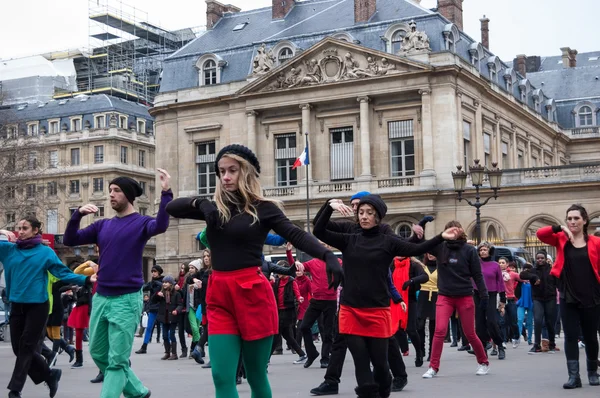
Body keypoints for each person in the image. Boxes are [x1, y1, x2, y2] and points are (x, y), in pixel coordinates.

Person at [166, 144, 342, 398]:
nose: (225, 177)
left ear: (246, 172)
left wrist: (327, 255)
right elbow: (172, 208)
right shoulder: (216, 207)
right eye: (221, 171)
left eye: (232, 170)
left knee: (256, 375)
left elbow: (295, 233)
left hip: (252, 293)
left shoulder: (263, 207)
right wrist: (201, 202)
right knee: (221, 376)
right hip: (219, 294)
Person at [313, 195, 460, 398]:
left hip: (377, 311)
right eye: (361, 212)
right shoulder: (349, 238)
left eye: (369, 213)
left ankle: (385, 386)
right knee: (361, 360)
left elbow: (417, 248)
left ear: (378, 217)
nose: (364, 217)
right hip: (350, 310)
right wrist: (329, 206)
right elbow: (318, 230)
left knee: (380, 363)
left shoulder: (388, 241)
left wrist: (441, 237)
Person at [63, 170, 173, 398]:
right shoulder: (102, 226)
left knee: (117, 360)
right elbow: (69, 240)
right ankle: (138, 391)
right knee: (98, 353)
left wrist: (165, 193)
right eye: (110, 191)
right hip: (101, 297)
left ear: (129, 195)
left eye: (116, 191)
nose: (111, 195)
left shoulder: (142, 223)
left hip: (126, 299)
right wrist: (77, 215)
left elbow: (161, 225)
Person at [1, 218, 96, 398]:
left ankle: (15, 391)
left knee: (27, 347)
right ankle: (49, 375)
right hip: (17, 305)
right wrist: (2, 233)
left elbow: (62, 272)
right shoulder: (8, 250)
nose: (20, 231)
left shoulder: (45, 252)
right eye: (18, 228)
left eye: (25, 228)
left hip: (38, 306)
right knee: (17, 348)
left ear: (36, 230)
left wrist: (85, 279)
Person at [537, 204, 600, 389]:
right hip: (568, 295)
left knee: (590, 336)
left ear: (585, 220)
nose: (572, 222)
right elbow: (541, 234)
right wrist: (560, 228)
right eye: (569, 219)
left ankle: (592, 373)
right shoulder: (561, 238)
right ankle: (574, 377)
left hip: (592, 295)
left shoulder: (595, 242)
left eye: (576, 218)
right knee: (571, 336)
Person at [422, 220, 490, 379]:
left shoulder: (469, 250)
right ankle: (433, 367)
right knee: (439, 331)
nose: (452, 233)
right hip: (445, 296)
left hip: (464, 295)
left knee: (470, 333)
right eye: (449, 230)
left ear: (461, 231)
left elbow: (477, 275)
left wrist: (484, 294)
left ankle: (483, 362)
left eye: (455, 230)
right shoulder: (440, 247)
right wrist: (429, 229)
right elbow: (423, 245)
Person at [391, 256, 429, 367]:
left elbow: (424, 277)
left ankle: (419, 352)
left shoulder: (413, 265)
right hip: (395, 300)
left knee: (411, 330)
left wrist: (411, 281)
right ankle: (398, 354)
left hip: (410, 300)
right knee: (396, 329)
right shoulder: (391, 264)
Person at [520, 250, 558, 355]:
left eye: (542, 258)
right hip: (538, 299)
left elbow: (559, 282)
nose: (540, 260)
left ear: (546, 259)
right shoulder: (533, 270)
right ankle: (536, 345)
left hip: (550, 298)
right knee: (537, 320)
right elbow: (522, 275)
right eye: (538, 258)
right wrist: (534, 277)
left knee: (550, 322)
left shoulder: (552, 270)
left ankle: (552, 344)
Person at [473, 242, 507, 360]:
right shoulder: (475, 263)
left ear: (489, 251)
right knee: (479, 323)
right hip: (477, 294)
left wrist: (503, 298)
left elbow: (501, 283)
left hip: (491, 294)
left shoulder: (495, 265)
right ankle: (483, 347)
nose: (482, 251)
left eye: (485, 249)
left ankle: (500, 345)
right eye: (481, 249)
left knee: (492, 322)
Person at [270, 260, 307, 363]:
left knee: (277, 335)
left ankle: (266, 360)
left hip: (288, 311)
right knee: (287, 336)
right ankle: (302, 355)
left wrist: (299, 298)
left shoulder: (291, 281)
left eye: (280, 271)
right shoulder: (276, 281)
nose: (278, 273)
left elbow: (296, 292)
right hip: (279, 311)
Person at [153, 275, 183, 360]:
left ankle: (174, 353)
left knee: (171, 334)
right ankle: (167, 352)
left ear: (171, 284)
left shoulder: (176, 294)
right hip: (164, 317)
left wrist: (176, 310)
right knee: (165, 336)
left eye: (166, 282)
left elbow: (180, 305)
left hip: (172, 317)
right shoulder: (161, 293)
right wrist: (157, 295)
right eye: (163, 282)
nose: (164, 284)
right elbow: (153, 301)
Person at [136, 265, 165, 354]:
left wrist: (158, 284)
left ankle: (169, 348)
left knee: (164, 328)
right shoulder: (152, 282)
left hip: (161, 307)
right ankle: (144, 347)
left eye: (155, 271)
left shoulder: (163, 281)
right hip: (153, 307)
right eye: (152, 271)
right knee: (149, 327)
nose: (153, 273)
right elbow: (144, 287)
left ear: (159, 272)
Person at [417, 253, 439, 361]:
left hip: (436, 296)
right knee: (420, 325)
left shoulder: (442, 267)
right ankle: (421, 350)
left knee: (433, 327)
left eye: (433, 252)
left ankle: (432, 352)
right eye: (428, 252)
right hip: (423, 296)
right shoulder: (422, 266)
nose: (430, 254)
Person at [499, 257, 521, 348]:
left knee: (513, 321)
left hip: (511, 300)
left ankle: (516, 337)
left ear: (507, 264)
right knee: (502, 322)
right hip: (501, 301)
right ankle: (503, 340)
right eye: (499, 262)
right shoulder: (497, 274)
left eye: (503, 262)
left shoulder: (512, 274)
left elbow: (522, 279)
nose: (501, 264)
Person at [185, 260, 203, 358]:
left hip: (199, 306)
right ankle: (199, 349)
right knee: (195, 329)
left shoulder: (202, 277)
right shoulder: (189, 278)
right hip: (191, 306)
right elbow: (188, 281)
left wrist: (196, 284)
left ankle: (193, 349)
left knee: (197, 329)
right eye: (190, 268)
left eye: (192, 268)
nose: (190, 270)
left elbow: (201, 285)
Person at [516, 264, 534, 345]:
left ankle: (530, 339)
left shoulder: (534, 280)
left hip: (531, 302)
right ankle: (518, 338)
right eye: (525, 269)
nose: (526, 271)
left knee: (530, 322)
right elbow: (516, 292)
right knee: (519, 320)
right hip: (522, 302)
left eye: (528, 269)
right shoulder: (520, 281)